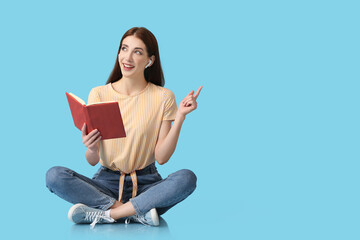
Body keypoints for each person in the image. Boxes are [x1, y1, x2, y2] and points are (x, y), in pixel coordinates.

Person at [45, 27, 203, 228]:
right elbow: (92, 161)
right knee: (54, 175)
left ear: (150, 60)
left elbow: (162, 158)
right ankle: (136, 213)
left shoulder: (163, 97)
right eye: (124, 49)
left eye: (137, 52)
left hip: (148, 185)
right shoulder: (99, 94)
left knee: (187, 178)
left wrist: (180, 116)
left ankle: (109, 214)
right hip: (105, 184)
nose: (127, 57)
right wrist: (91, 148)